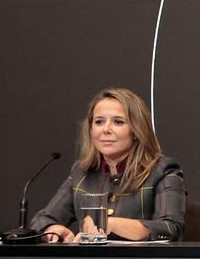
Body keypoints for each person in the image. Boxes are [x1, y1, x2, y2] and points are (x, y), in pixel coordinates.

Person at [32, 87, 185, 241]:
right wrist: (53, 229)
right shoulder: (82, 172)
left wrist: (109, 224)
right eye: (99, 122)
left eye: (118, 122)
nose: (106, 129)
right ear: (91, 129)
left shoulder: (162, 171)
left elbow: (170, 228)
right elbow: (42, 220)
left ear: (137, 131)